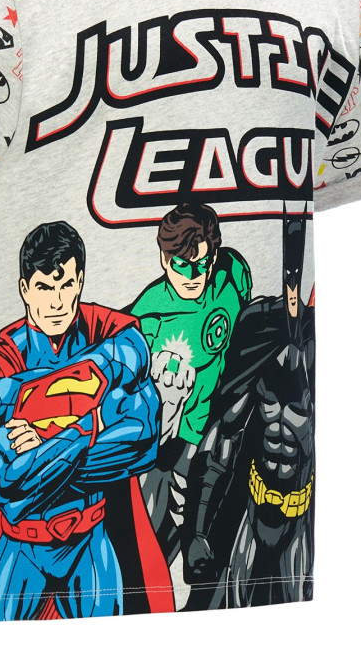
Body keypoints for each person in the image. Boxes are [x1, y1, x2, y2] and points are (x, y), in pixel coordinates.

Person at [0, 220, 174, 620]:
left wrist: (45, 435)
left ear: (80, 281)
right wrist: (95, 422)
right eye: (44, 288)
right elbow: (5, 477)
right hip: (22, 544)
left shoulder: (107, 329)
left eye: (66, 285)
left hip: (90, 539)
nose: (56, 302)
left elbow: (143, 436)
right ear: (24, 289)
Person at [182, 210, 316, 609]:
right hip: (251, 514)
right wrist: (198, 532)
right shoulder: (259, 336)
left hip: (301, 520)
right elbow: (221, 440)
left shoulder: (316, 355)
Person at [128, 202, 251, 591]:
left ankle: (196, 541)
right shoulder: (148, 316)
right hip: (171, 437)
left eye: (202, 264)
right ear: (165, 261)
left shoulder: (231, 275)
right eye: (182, 266)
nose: (194, 276)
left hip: (219, 420)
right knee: (152, 530)